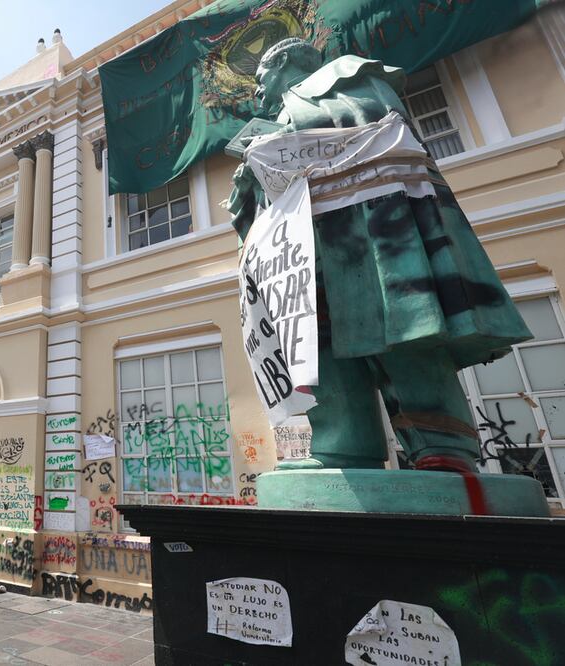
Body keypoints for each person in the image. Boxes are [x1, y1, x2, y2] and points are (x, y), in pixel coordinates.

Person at [227, 38, 531, 472]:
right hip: (301, 252)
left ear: (281, 61)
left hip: (368, 233)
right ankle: (342, 446)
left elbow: (379, 130)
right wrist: (251, 172)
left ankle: (441, 445)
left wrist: (282, 141)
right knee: (316, 346)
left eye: (261, 77)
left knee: (402, 325)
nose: (258, 90)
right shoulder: (276, 116)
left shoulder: (347, 80)